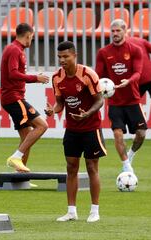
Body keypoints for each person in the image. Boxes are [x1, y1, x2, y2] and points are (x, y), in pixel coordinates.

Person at [45, 41, 106, 223]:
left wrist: (87, 113)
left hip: (91, 128)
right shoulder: (57, 78)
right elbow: (60, 103)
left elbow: (100, 100)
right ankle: (71, 211)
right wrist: (52, 111)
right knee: (71, 168)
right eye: (59, 57)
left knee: (91, 167)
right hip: (71, 129)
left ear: (75, 56)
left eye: (66, 56)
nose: (62, 60)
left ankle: (94, 210)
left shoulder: (88, 74)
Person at [96, 19, 146, 173]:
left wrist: (129, 81)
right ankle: (126, 166)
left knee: (141, 134)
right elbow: (98, 75)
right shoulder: (103, 52)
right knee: (118, 133)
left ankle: (130, 155)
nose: (115, 34)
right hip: (115, 102)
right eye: (113, 31)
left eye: (118, 31)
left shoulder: (135, 50)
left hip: (132, 99)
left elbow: (138, 73)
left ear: (125, 31)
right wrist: (101, 87)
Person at [0, 23, 49, 173]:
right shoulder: (15, 49)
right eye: (32, 38)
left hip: (12, 97)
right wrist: (36, 78)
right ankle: (16, 157)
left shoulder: (15, 49)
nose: (31, 41)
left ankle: (20, 176)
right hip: (14, 98)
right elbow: (13, 74)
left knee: (27, 138)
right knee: (42, 126)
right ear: (28, 35)